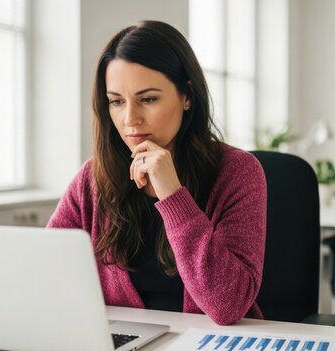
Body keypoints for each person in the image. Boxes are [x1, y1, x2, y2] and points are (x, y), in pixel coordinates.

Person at [47, 20, 266, 325]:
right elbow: (47, 276)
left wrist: (173, 196)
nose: (130, 119)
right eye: (116, 102)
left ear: (186, 95)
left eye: (148, 99)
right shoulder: (93, 178)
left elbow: (227, 306)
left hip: (210, 346)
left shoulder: (237, 172)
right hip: (125, 343)